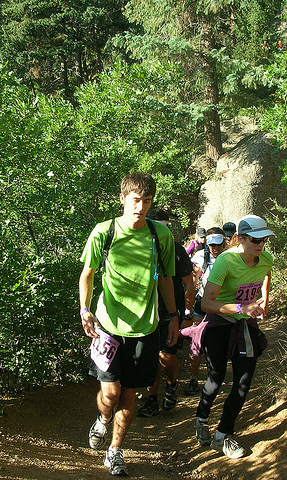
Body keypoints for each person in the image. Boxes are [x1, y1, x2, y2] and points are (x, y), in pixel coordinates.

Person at [79, 173, 179, 476]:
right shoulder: (104, 231)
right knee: (110, 393)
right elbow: (88, 273)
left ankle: (115, 450)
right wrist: (85, 309)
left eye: (147, 201)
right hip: (107, 327)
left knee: (129, 393)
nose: (141, 207)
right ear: (123, 199)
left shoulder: (160, 235)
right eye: (136, 200)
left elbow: (165, 278)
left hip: (145, 328)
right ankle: (103, 419)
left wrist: (173, 316)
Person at [188, 215, 274, 459]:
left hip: (244, 326)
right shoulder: (226, 261)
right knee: (216, 379)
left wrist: (264, 302)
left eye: (264, 239)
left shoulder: (266, 259)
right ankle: (202, 419)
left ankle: (222, 435)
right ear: (240, 239)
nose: (261, 244)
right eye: (255, 239)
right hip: (219, 324)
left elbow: (266, 275)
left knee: (243, 383)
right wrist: (240, 308)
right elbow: (206, 302)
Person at [137, 209, 195, 417]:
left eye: (164, 227)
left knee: (165, 356)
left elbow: (188, 283)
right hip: (144, 315)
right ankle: (152, 400)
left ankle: (170, 386)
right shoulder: (138, 250)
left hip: (170, 314)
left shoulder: (177, 251)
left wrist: (187, 314)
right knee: (149, 359)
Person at [183, 227, 227, 396]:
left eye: (218, 245)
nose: (214, 249)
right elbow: (193, 282)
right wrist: (188, 307)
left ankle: (214, 377)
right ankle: (193, 378)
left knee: (217, 341)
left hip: (222, 305)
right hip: (202, 303)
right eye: (211, 245)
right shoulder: (201, 257)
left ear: (224, 243)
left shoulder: (230, 258)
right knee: (196, 339)